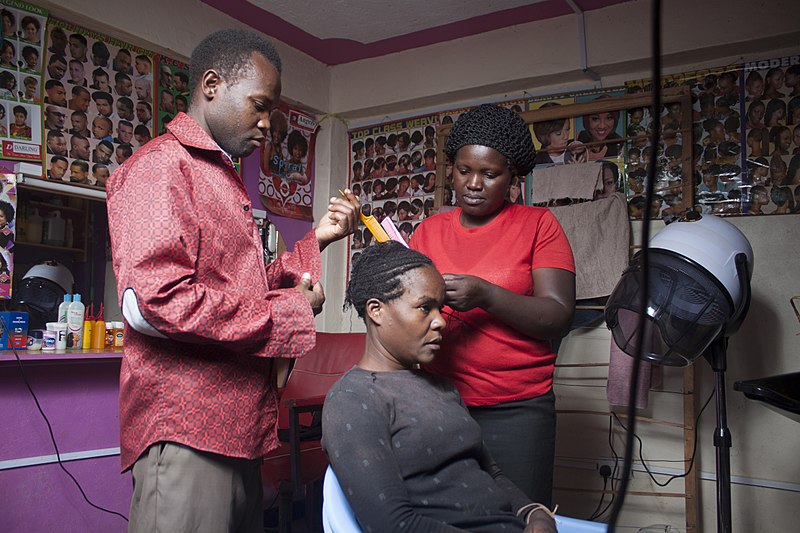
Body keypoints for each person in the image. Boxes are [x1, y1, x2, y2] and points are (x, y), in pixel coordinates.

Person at [105, 29, 360, 533]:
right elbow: (155, 302)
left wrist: (319, 240)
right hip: (189, 431)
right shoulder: (164, 167)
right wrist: (290, 310)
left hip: (238, 428)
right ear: (212, 84)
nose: (267, 125)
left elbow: (239, 291)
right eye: (260, 106)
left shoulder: (219, 176)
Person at [323, 241, 557, 533]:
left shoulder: (442, 387)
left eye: (441, 308)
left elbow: (490, 473)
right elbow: (394, 526)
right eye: (425, 308)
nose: (441, 322)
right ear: (376, 311)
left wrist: (533, 512)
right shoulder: (353, 400)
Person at [410, 104, 575, 506]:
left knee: (521, 517)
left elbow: (557, 315)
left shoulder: (539, 225)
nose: (474, 184)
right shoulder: (427, 232)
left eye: (490, 174)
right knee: (445, 517)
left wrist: (486, 295)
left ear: (513, 178)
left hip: (517, 410)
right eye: (464, 170)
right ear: (451, 170)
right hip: (439, 403)